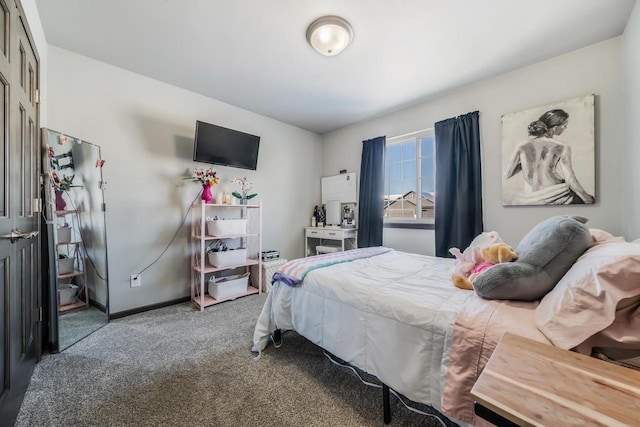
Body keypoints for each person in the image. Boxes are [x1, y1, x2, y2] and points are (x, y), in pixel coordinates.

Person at [504, 108, 594, 205]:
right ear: (555, 127)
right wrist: (586, 198)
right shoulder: (562, 147)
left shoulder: (522, 145)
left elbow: (507, 174)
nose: (565, 128)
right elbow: (570, 180)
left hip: (529, 197)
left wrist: (528, 162)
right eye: (564, 125)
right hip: (558, 194)